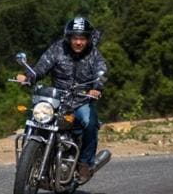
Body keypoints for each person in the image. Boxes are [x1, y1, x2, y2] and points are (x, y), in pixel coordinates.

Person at [16, 16, 108, 181]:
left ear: (88, 39)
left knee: (89, 122)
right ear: (69, 37)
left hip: (81, 100)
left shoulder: (94, 54)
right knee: (34, 115)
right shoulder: (58, 49)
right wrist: (29, 77)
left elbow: (101, 72)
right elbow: (42, 66)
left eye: (82, 38)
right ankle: (28, 158)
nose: (78, 42)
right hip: (57, 100)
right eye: (75, 38)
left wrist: (96, 88)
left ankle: (85, 164)